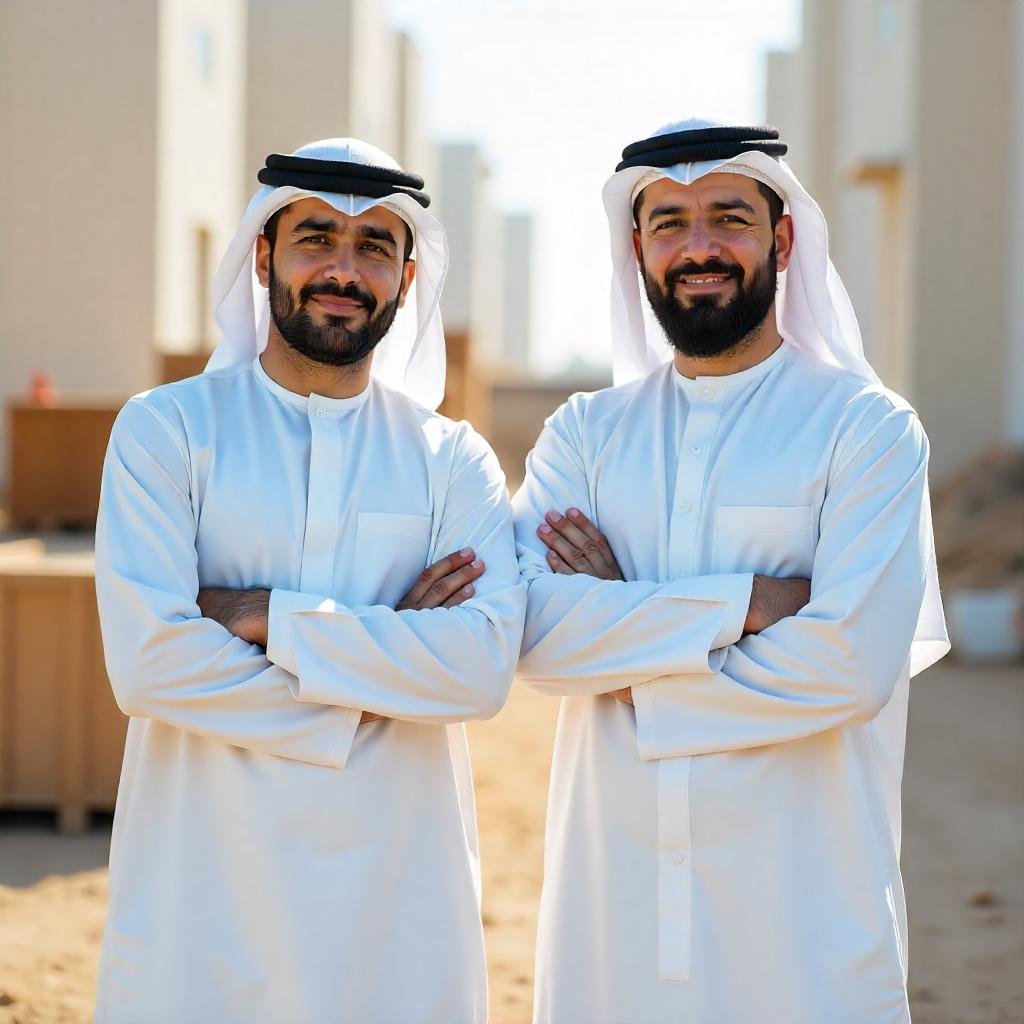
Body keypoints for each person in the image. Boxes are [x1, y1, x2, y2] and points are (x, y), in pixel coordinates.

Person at [512, 119, 949, 1023]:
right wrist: (751, 601)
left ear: (782, 238)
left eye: (728, 217)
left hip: (802, 923)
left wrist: (628, 644)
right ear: (637, 249)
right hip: (616, 922)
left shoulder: (865, 430)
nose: (698, 247)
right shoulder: (584, 436)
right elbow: (537, 642)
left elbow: (849, 668)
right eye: (668, 222)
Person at [93, 138, 525, 1024]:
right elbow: (148, 666)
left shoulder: (453, 460)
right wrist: (387, 665)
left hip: (398, 915)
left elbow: (479, 673)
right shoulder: (166, 432)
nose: (344, 268)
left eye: (375, 247)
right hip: (203, 905)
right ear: (263, 255)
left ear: (406, 278)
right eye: (316, 236)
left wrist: (264, 617)